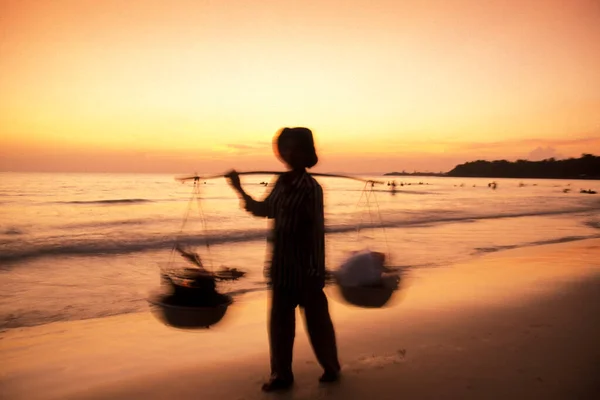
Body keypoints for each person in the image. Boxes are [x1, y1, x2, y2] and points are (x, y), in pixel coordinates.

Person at [226, 127, 341, 392]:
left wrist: (316, 269)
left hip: (307, 268)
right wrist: (238, 189)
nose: (289, 153)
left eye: (295, 148)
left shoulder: (312, 189)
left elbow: (313, 232)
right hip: (281, 267)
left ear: (307, 153)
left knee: (318, 322)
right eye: (286, 148)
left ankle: (331, 366)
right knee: (279, 324)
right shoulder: (282, 183)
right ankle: (281, 374)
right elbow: (265, 210)